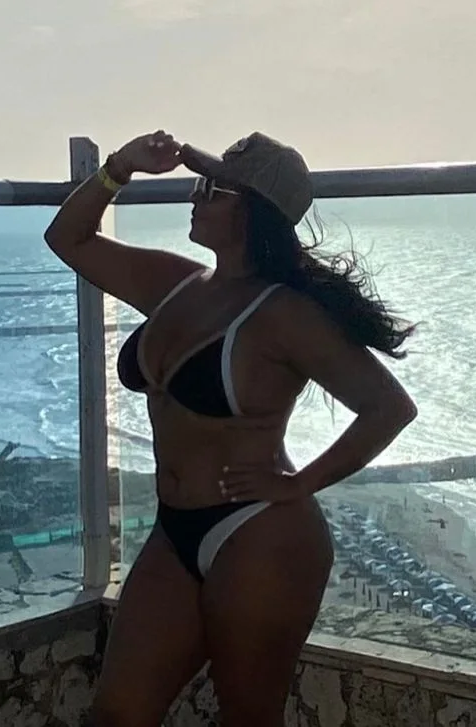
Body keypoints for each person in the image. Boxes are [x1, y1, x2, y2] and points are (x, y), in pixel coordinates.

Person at [45, 130, 416, 727]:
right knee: (116, 716)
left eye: (211, 190)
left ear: (253, 212)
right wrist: (119, 168)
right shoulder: (177, 284)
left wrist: (300, 483)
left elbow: (389, 408)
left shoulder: (285, 315)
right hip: (174, 530)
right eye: (200, 185)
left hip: (260, 536)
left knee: (248, 719)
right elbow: (68, 238)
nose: (194, 198)